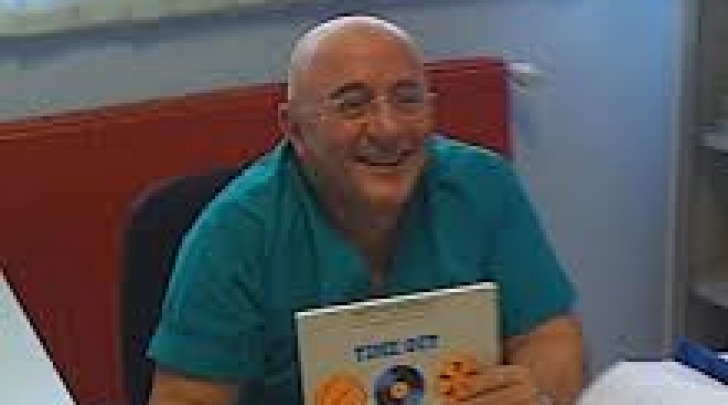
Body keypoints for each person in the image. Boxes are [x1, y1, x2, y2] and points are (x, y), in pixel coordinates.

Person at [147, 15, 584, 405]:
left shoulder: (483, 186)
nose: (388, 129)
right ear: (294, 128)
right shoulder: (234, 233)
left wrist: (539, 395)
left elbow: (550, 337)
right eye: (352, 104)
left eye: (407, 99)